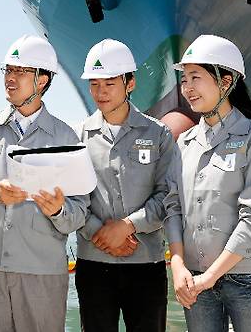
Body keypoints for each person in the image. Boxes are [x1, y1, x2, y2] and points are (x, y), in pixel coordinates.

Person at [0, 35, 89, 332]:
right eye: (8, 71)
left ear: (43, 80)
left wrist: (57, 211)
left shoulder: (66, 138)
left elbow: (79, 213)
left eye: (21, 72)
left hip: (42, 274)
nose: (10, 79)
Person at [164, 34, 251, 332]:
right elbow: (174, 205)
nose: (187, 88)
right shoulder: (184, 144)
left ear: (226, 81)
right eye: (184, 79)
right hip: (195, 280)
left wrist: (210, 276)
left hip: (248, 281)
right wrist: (178, 265)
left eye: (196, 77)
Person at [74, 39, 175, 332]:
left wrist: (127, 226)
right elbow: (74, 199)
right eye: (94, 84)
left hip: (146, 266)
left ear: (130, 82)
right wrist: (101, 233)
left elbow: (168, 194)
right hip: (93, 265)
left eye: (109, 83)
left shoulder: (159, 134)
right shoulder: (77, 136)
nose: (100, 93)